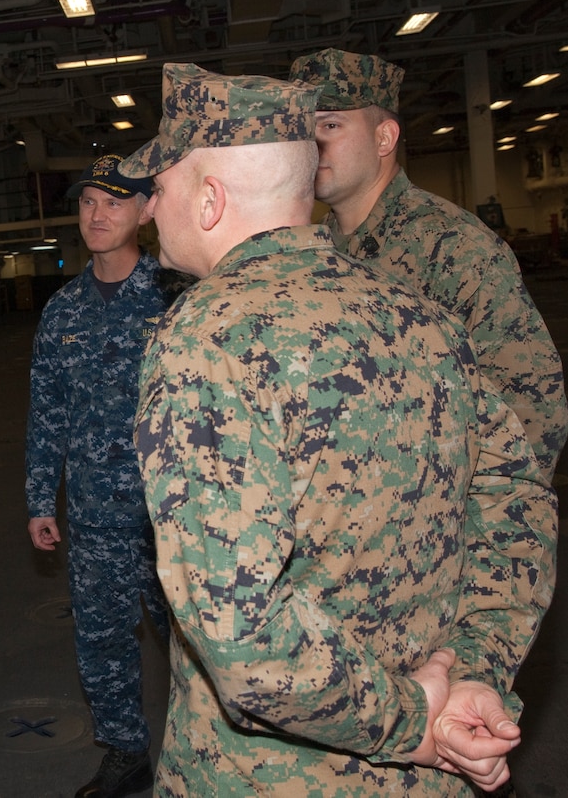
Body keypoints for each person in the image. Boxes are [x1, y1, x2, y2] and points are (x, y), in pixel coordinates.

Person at [118, 64, 556, 795]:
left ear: (208, 200)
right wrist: (474, 670)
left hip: (276, 775)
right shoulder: (421, 318)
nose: (145, 210)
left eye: (157, 188)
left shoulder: (206, 340)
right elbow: (517, 499)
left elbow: (244, 632)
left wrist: (408, 724)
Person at [289, 48, 568, 480]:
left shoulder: (453, 247)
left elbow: (533, 411)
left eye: (331, 125)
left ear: (384, 138)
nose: (314, 143)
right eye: (305, 129)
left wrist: (480, 535)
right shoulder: (317, 254)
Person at [26, 155, 192, 798]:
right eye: (89, 201)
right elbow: (47, 410)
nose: (98, 214)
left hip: (172, 513)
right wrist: (42, 498)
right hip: (95, 514)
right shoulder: (62, 311)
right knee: (102, 643)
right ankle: (125, 751)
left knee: (195, 644)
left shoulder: (177, 295)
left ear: (147, 211)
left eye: (116, 202)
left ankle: (198, 750)